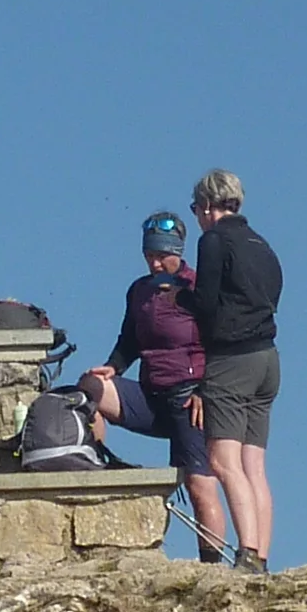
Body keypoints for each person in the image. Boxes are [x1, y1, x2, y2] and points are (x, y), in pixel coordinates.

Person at [81, 212, 226, 561]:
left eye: (163, 256)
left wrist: (207, 390)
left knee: (198, 485)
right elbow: (129, 339)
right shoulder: (139, 291)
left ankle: (212, 568)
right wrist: (112, 367)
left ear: (179, 252)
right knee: (88, 390)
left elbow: (222, 344)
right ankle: (97, 461)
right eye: (150, 256)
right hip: (149, 395)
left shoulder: (198, 288)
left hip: (189, 398)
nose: (156, 262)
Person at [180, 169, 283, 575]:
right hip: (268, 359)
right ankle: (261, 554)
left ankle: (247, 555)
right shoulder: (263, 246)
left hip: (231, 360)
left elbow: (205, 302)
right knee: (254, 464)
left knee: (223, 461)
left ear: (207, 205)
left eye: (196, 210)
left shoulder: (214, 240)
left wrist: (180, 298)